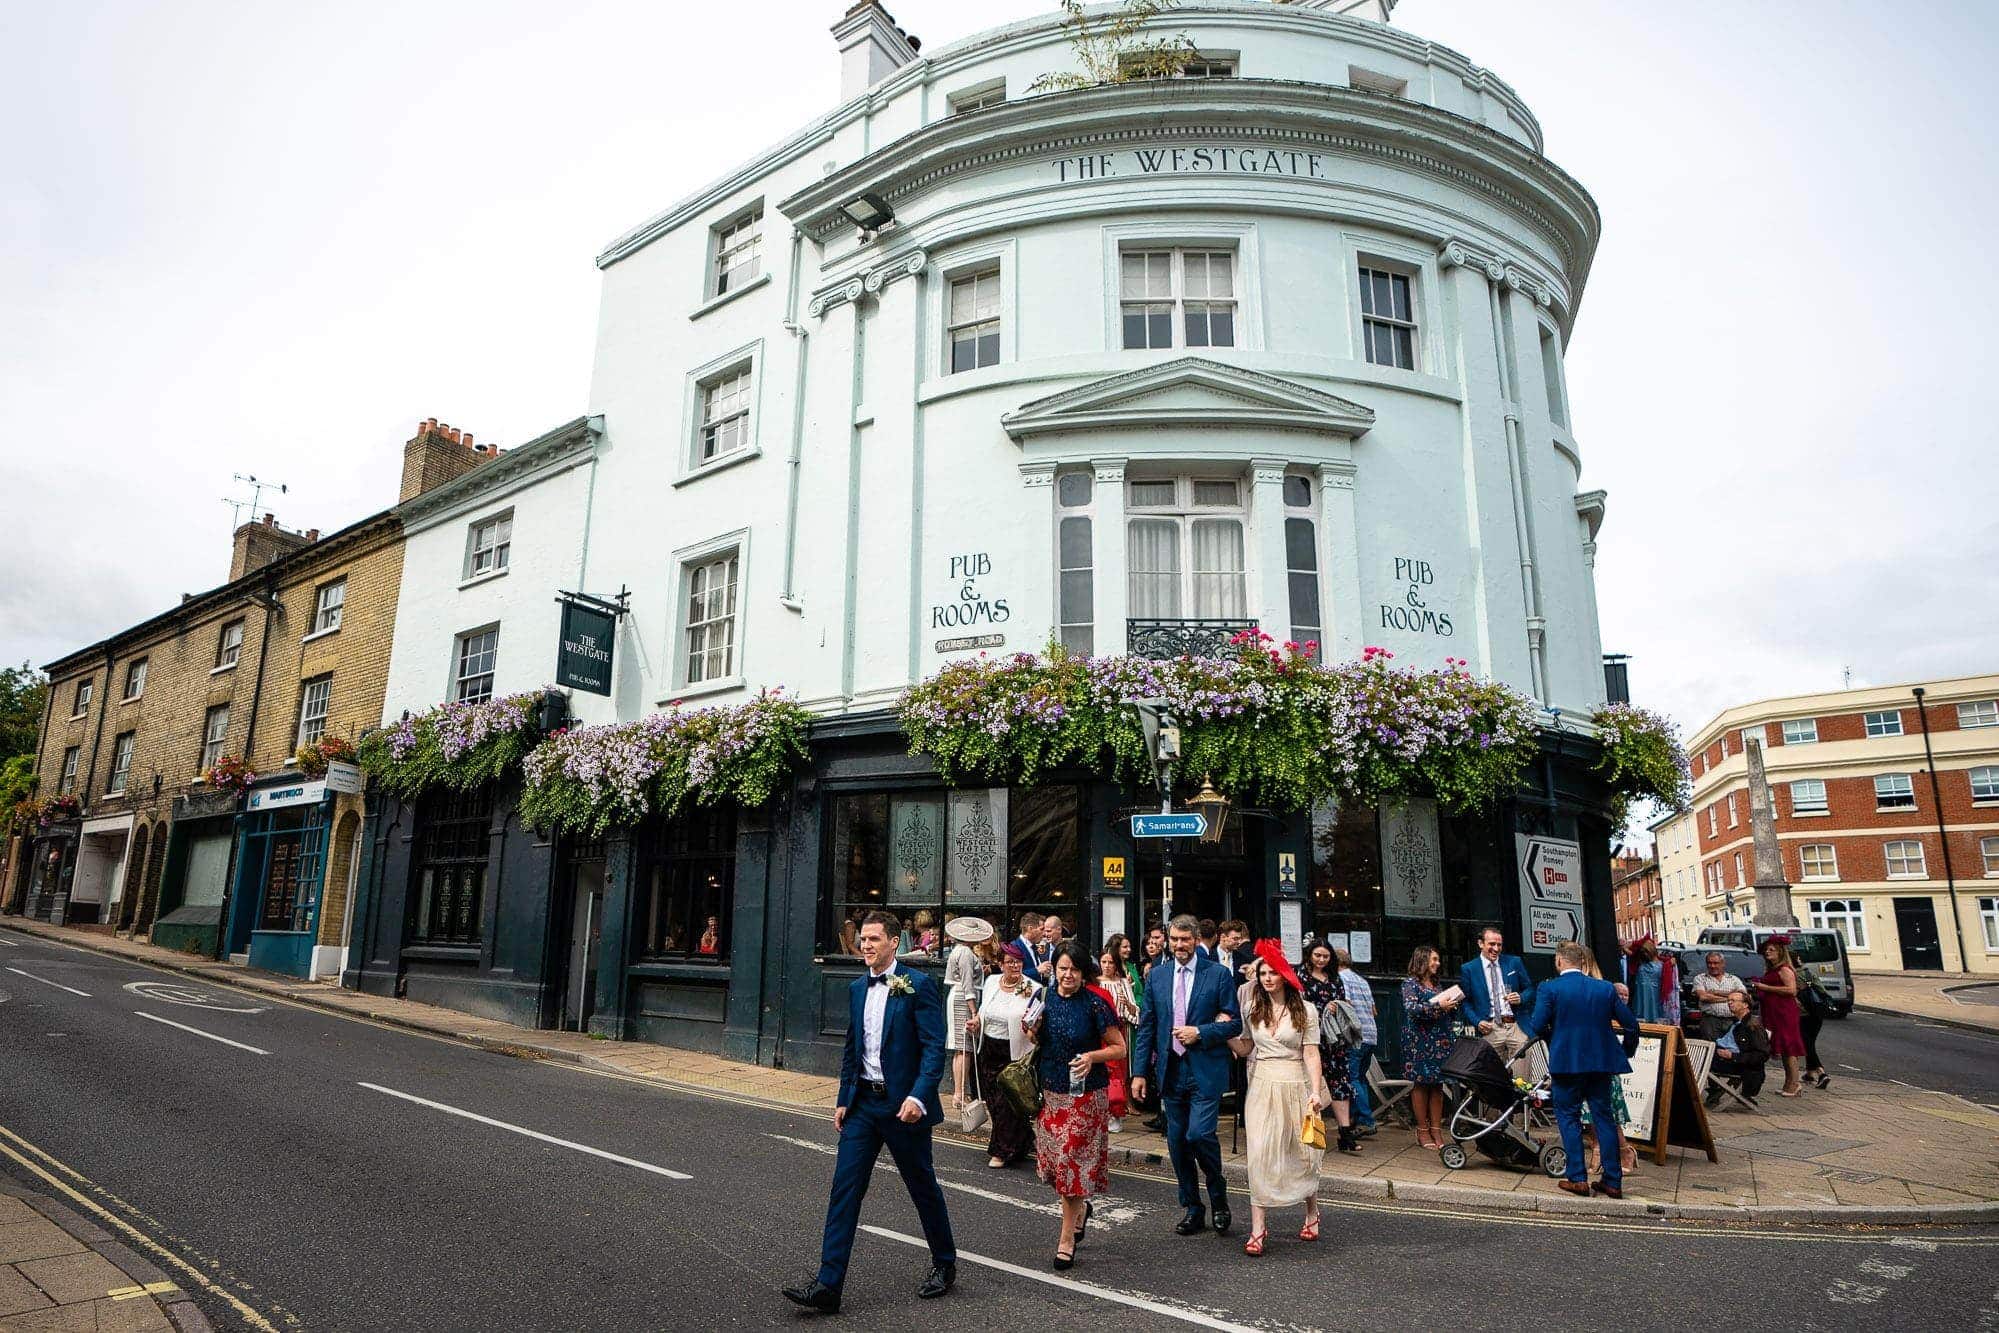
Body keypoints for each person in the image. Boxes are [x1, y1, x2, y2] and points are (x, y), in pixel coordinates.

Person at [783, 911, 956, 1314]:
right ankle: (828, 1285)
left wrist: (919, 1097)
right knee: (844, 1189)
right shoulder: (857, 987)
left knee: (921, 1186)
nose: (865, 945)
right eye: (863, 939)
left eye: (874, 939)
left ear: (894, 942)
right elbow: (853, 1047)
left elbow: (934, 1048)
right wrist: (844, 1097)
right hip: (863, 1104)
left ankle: (945, 1263)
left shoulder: (917, 985)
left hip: (903, 1107)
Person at [1131, 913, 1242, 1238]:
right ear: (1169, 941)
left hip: (1205, 1070)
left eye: (1185, 939)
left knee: (1200, 1135)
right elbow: (1147, 1027)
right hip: (1171, 1072)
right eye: (1175, 939)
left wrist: (1201, 1032)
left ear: (1195, 940)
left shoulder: (1218, 974)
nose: (1180, 945)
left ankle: (1218, 1197)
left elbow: (1234, 1023)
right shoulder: (1158, 976)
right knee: (1178, 1144)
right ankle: (1193, 1208)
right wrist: (1139, 1072)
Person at [1228, 941, 1331, 1256]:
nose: (1268, 978)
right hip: (1262, 1085)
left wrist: (1315, 1092)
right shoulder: (1251, 1008)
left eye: (1273, 973)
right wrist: (1224, 1034)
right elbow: (1246, 1048)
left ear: (1285, 975)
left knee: (1302, 1152)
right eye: (1263, 974)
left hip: (1296, 1083)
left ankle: (1311, 1212)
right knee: (1259, 1154)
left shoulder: (1306, 1010)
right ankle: (1258, 1228)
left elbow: (1311, 1053)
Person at [1519, 939, 1641, 1200]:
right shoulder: (1604, 988)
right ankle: (1612, 1181)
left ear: (1559, 961)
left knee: (1568, 1118)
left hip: (1566, 1063)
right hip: (1601, 1064)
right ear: (1582, 962)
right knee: (1604, 1119)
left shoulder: (1549, 988)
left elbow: (1537, 1026)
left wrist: (1554, 1039)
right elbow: (1632, 1024)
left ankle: (1577, 1178)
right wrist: (1625, 1051)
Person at [1035, 942, 1126, 1270]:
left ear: (1083, 972)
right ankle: (1081, 1210)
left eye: (1074, 969)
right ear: (1054, 969)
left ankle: (1066, 1240)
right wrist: (1031, 1031)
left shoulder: (1095, 1004)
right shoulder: (1044, 998)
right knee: (1056, 1167)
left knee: (1070, 1166)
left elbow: (1119, 1048)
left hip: (1086, 1097)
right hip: (1052, 1093)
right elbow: (1037, 1040)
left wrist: (1091, 1057)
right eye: (1062, 968)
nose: (1068, 974)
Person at [976, 942, 1044, 1167]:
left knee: (1007, 1101)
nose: (1015, 966)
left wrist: (1032, 1027)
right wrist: (976, 1021)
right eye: (1010, 962)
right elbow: (983, 1010)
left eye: (1018, 962)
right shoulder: (991, 982)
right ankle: (1023, 1140)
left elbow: (1035, 1021)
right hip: (989, 1049)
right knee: (993, 1100)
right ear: (1000, 964)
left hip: (1013, 1052)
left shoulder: (1032, 987)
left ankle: (1001, 1151)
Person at [1577, 945, 1637, 1176]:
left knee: (1606, 1108)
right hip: (1579, 1054)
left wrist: (1624, 1052)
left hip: (1601, 1055)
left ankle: (1624, 1150)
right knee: (1586, 1108)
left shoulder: (1603, 989)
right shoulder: (1568, 986)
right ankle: (1598, 1148)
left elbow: (1630, 1023)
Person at [1298, 939, 1359, 1154]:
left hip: (1334, 1040)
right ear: (1309, 955)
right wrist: (1322, 1007)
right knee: (1310, 1084)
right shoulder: (1301, 976)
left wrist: (1338, 1006)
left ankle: (1345, 1133)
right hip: (1311, 1039)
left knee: (1340, 1083)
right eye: (1317, 955)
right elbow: (1297, 1005)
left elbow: (1343, 1001)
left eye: (1325, 956)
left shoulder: (1335, 978)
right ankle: (1309, 1131)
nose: (1321, 960)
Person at [1399, 945, 1462, 1150]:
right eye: (1434, 959)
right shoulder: (1410, 984)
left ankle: (1436, 1129)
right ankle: (1422, 1130)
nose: (1438, 963)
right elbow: (1411, 1008)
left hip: (1441, 1040)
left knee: (1438, 1085)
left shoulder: (1437, 985)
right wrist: (1438, 1006)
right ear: (1422, 960)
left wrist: (1451, 1005)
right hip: (1419, 1041)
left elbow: (1444, 1011)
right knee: (1421, 1084)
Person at [1458, 924, 1536, 1066]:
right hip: (1490, 1028)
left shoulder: (1514, 962)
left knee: (1522, 1075)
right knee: (1492, 1075)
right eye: (1492, 944)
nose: (1496, 949)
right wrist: (1477, 1022)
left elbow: (1530, 989)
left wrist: (1521, 997)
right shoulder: (1469, 969)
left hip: (1515, 1025)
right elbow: (1466, 1002)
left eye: (1499, 945)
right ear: (1481, 943)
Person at [942, 916, 993, 1113]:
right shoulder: (964, 952)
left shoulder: (963, 951)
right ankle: (959, 1094)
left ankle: (960, 1093)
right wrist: (973, 1010)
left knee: (963, 1048)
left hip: (962, 997)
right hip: (963, 1000)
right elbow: (967, 984)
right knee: (964, 1048)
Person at [1751, 937, 1807, 1096]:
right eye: (1766, 950)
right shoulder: (1772, 969)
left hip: (1784, 1013)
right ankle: (1788, 1083)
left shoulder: (1784, 969)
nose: (1767, 952)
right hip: (1774, 1013)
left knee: (1789, 1048)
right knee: (1782, 1048)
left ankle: (1794, 1084)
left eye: (1771, 950)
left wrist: (1764, 987)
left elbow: (1791, 990)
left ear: (1780, 952)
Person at [1097, 943, 1140, 1132]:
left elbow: (1135, 1010)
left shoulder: (1122, 983)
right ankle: (1102, 1113)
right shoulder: (1095, 983)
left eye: (1110, 962)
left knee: (1118, 1073)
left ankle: (1116, 1113)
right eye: (1103, 962)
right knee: (1102, 1072)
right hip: (1099, 1034)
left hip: (1119, 1031)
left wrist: (1127, 1005)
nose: (1107, 966)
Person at [1336, 947, 1379, 1137]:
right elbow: (1374, 1011)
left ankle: (1366, 1120)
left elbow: (1347, 1005)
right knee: (1360, 1079)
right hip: (1371, 1034)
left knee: (1351, 1078)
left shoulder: (1342, 979)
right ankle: (1355, 1119)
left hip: (1355, 1037)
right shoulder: (1362, 980)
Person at [1707, 990, 1772, 1106]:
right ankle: (1713, 1091)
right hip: (1721, 1057)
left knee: (1697, 1061)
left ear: (1745, 1004)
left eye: (1733, 1000)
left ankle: (1713, 1092)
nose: (1729, 1003)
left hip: (1739, 1065)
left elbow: (1761, 1055)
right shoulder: (1736, 1022)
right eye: (1728, 1000)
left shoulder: (1753, 1026)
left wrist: (1732, 1056)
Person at [1622, 937, 1679, 1026]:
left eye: (1646, 951)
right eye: (1643, 952)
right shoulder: (1640, 963)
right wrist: (1637, 942)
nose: (1644, 954)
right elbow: (1625, 949)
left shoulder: (1665, 964)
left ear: (1651, 950)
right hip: (1641, 996)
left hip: (1656, 996)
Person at [1690, 951, 1748, 1038]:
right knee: (1710, 1045)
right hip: (1710, 1021)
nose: (1712, 966)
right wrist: (1731, 998)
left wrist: (1716, 992)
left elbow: (1743, 995)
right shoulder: (1700, 978)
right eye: (1709, 963)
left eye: (1716, 963)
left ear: (1723, 964)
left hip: (1732, 1020)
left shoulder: (1734, 979)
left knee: (1732, 1045)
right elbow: (1704, 997)